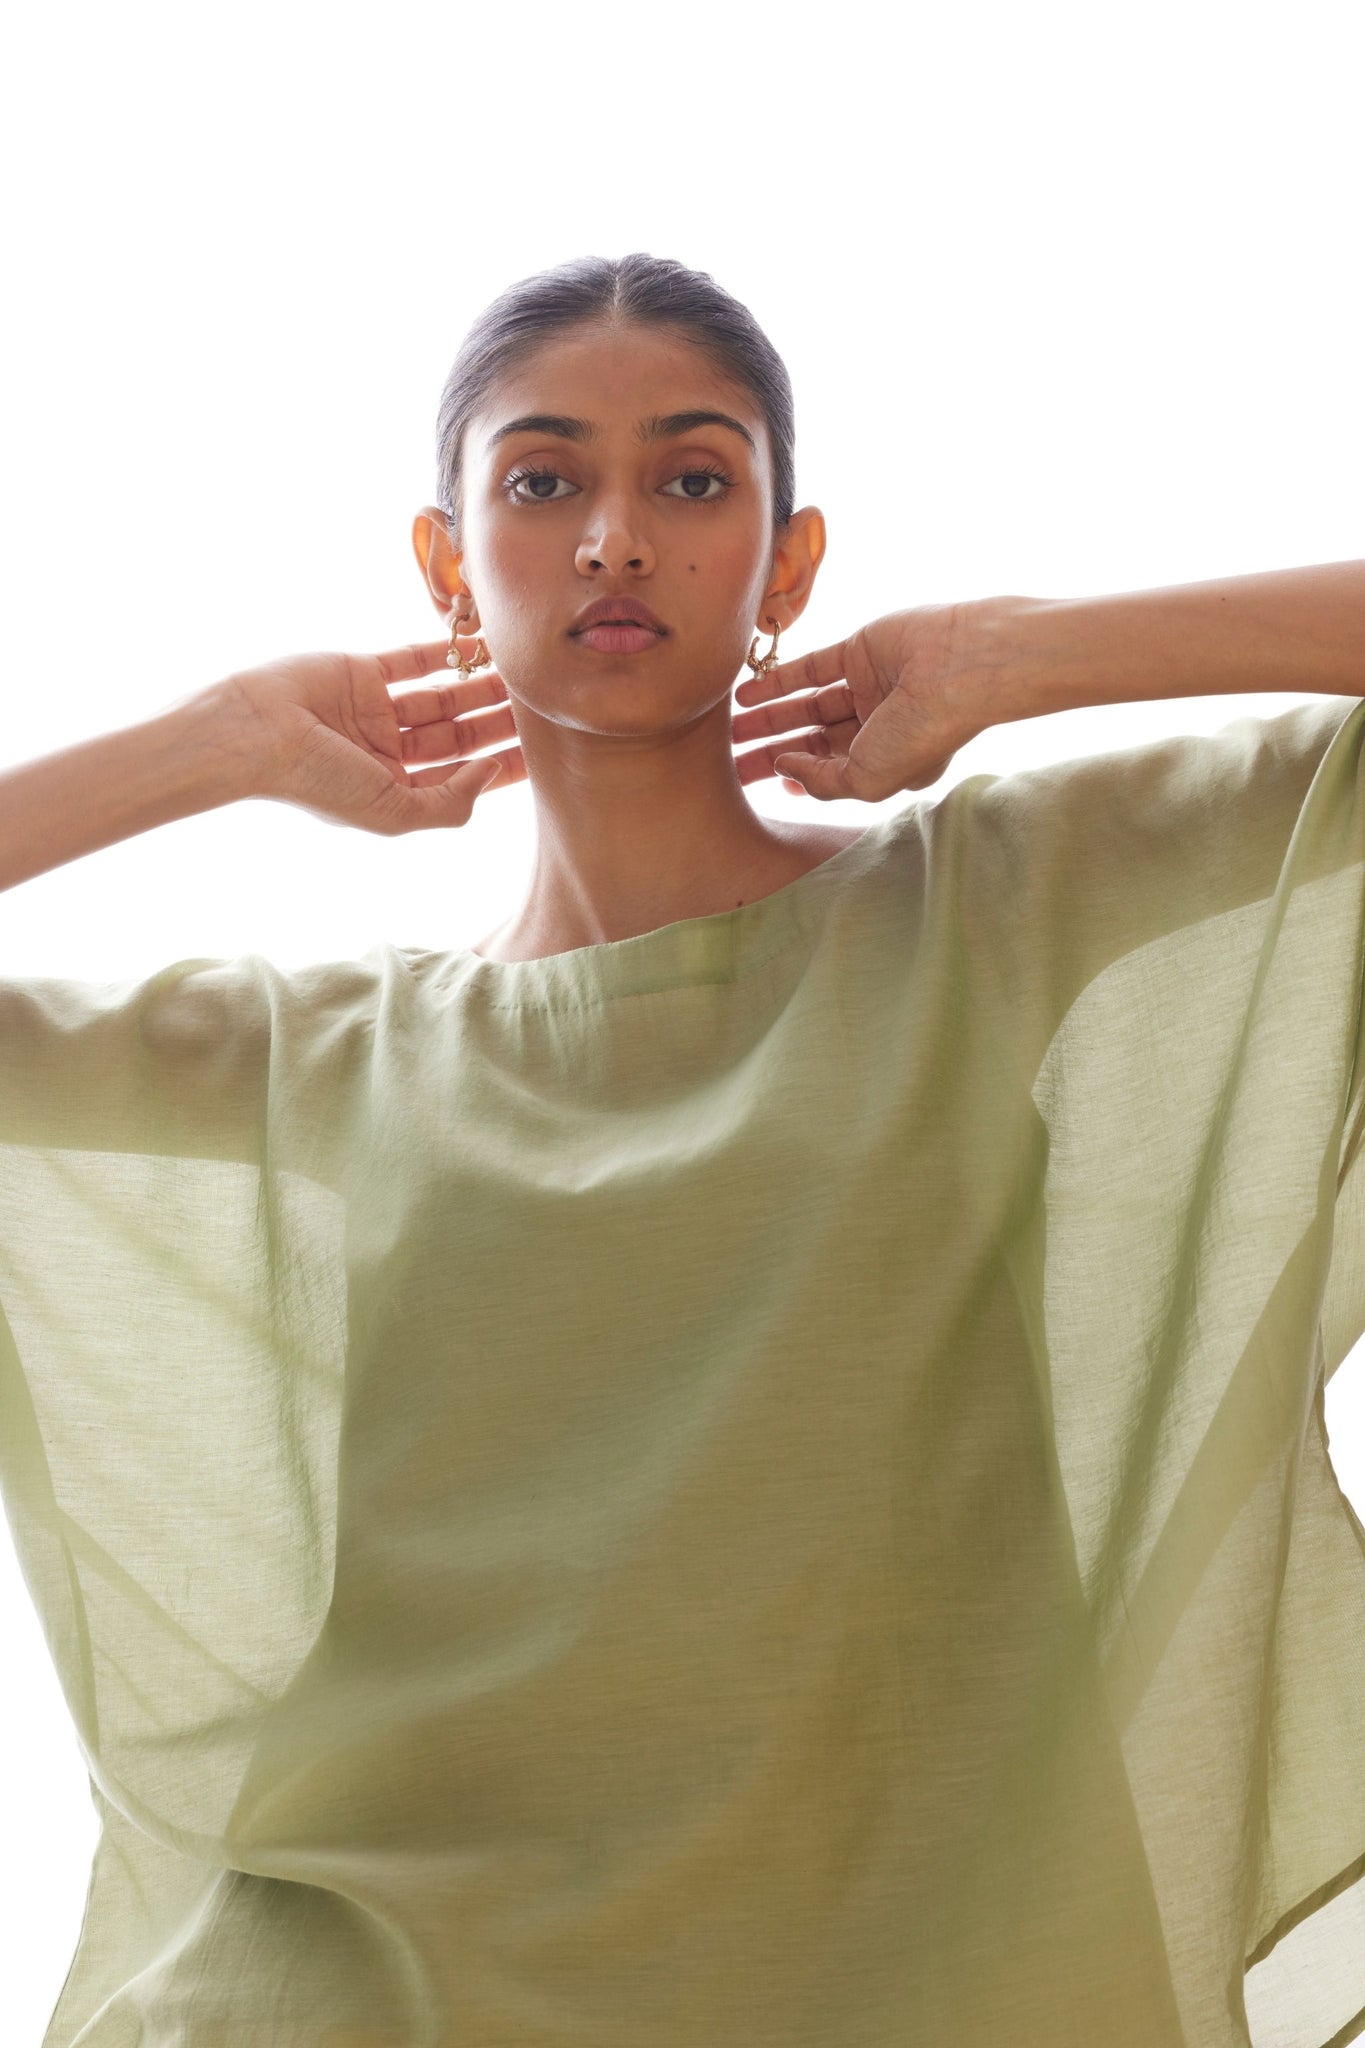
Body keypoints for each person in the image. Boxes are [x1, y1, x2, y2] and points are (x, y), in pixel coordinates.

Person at [1, 250, 1363, 2048]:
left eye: (695, 480)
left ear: (788, 564)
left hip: (904, 1962)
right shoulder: (320, 1057)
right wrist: (217, 744)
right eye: (542, 480)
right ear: (445, 562)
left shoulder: (987, 905)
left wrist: (1021, 656)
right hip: (364, 1979)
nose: (615, 540)